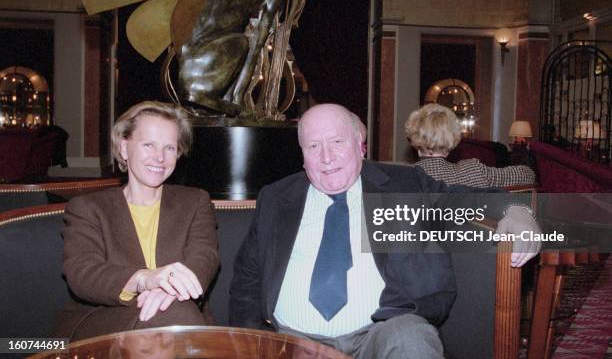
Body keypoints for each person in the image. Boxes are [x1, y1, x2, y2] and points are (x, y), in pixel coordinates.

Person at [229, 103, 539, 359]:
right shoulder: (276, 198)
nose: (326, 157)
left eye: (337, 142)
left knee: (413, 340)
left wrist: (517, 210)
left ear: (360, 146)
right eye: (314, 146)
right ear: (302, 154)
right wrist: (251, 342)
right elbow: (247, 278)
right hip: (292, 343)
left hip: (377, 336)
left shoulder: (405, 186)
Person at [55, 101, 218, 341]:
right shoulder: (88, 208)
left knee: (176, 313)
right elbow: (82, 272)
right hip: (106, 323)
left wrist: (172, 290)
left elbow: (205, 256)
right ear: (123, 148)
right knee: (177, 317)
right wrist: (144, 279)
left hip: (179, 314)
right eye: (148, 145)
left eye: (170, 148)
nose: (160, 157)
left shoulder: (195, 201)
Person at [405, 103, 536, 188]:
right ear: (454, 137)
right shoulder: (473, 170)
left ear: (412, 137)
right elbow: (527, 174)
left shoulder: (404, 178)